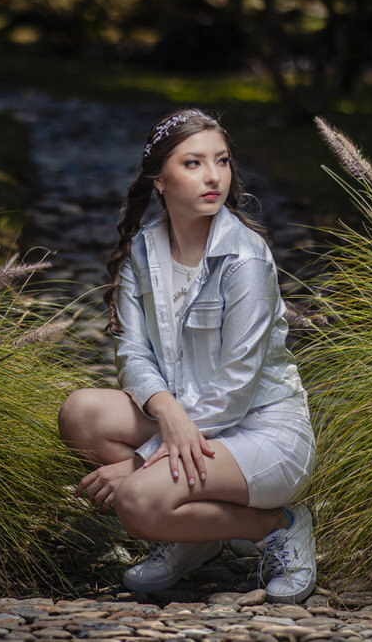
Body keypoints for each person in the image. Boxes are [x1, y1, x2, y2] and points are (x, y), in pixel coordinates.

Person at [58, 109, 317, 603]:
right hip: (189, 420)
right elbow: (132, 350)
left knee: (135, 501)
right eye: (193, 163)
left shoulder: (244, 255)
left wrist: (140, 463)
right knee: (81, 414)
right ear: (159, 179)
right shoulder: (144, 250)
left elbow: (237, 387)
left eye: (221, 161)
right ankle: (192, 540)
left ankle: (278, 525)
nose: (214, 176)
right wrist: (166, 411)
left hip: (263, 432)